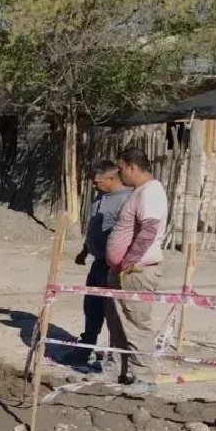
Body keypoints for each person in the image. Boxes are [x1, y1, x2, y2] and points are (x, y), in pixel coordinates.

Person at [105, 146, 169, 391]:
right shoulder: (140, 192)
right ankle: (118, 371)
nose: (120, 174)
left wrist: (130, 261)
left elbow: (149, 228)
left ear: (132, 167)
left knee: (137, 324)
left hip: (136, 272)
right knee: (118, 324)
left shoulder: (151, 193)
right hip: (124, 271)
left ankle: (145, 378)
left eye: (121, 169)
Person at [66, 161, 132, 365]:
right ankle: (86, 348)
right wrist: (85, 250)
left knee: (113, 312)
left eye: (97, 183)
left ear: (111, 179)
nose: (94, 186)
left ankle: (116, 358)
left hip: (114, 266)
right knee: (91, 308)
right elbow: (94, 226)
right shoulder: (100, 197)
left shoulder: (127, 200)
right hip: (97, 263)